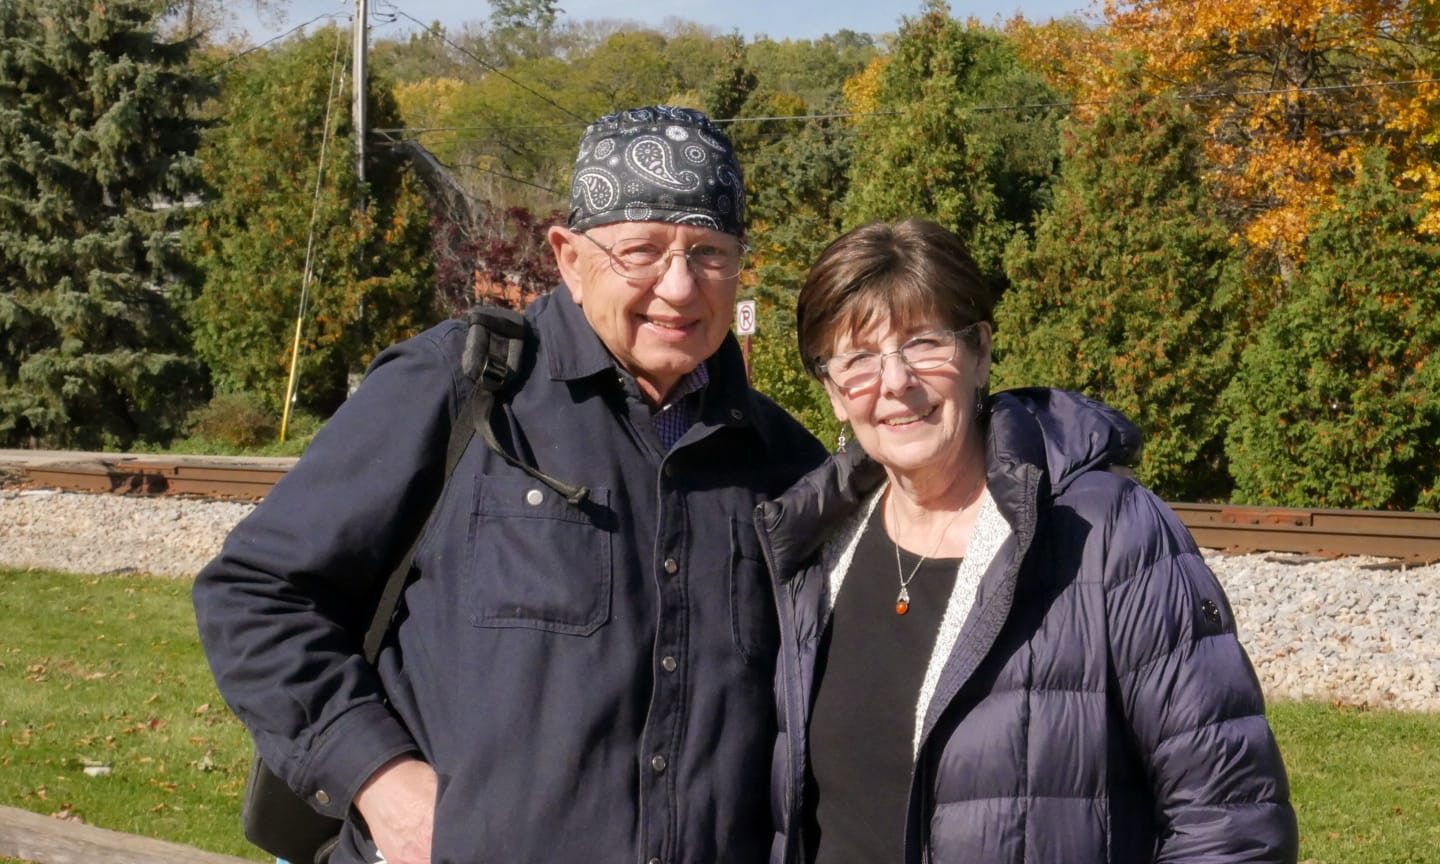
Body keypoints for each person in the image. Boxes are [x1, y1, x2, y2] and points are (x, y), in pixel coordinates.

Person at [193, 105, 826, 864]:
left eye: (710, 253)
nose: (680, 286)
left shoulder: (786, 462)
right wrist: (380, 780)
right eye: (643, 251)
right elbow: (256, 592)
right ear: (568, 256)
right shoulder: (463, 389)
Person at [755, 218, 1298, 864]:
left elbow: (1232, 823)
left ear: (980, 353)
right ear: (834, 392)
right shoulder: (818, 550)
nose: (895, 381)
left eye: (924, 343)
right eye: (860, 359)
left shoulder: (1109, 534)